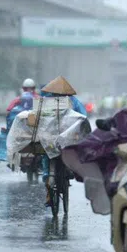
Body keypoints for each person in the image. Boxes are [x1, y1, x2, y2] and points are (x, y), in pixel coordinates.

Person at [39, 76, 88, 207]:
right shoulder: (73, 101)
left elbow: (37, 117)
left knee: (46, 159)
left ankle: (48, 193)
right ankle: (70, 171)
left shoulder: (45, 101)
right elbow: (83, 116)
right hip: (67, 139)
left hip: (50, 139)